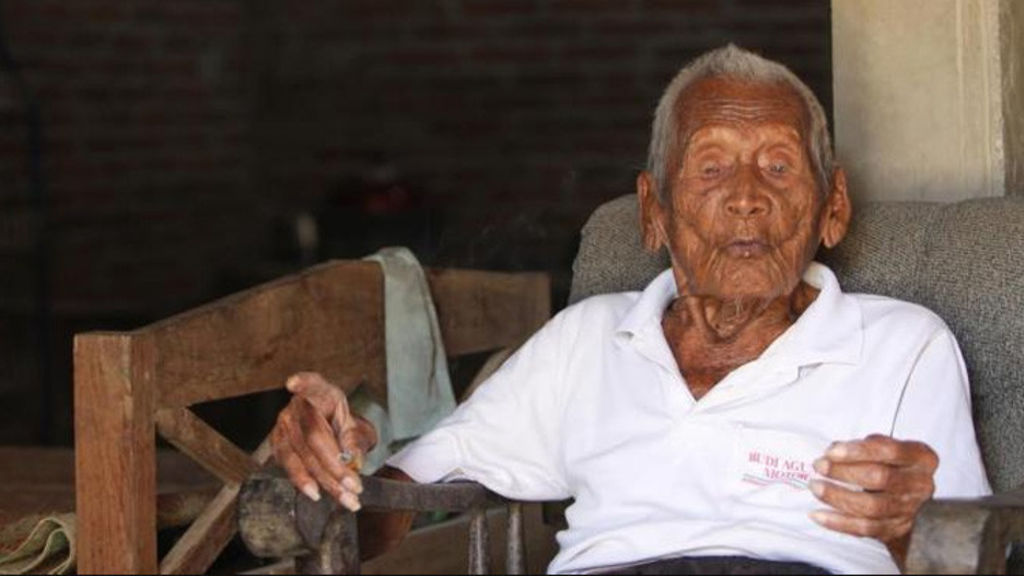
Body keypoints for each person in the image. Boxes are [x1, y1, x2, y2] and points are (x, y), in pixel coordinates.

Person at [269, 45, 990, 574]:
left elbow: (974, 553)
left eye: (778, 166)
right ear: (654, 212)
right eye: (711, 167)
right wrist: (332, 466)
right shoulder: (586, 340)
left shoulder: (902, 345)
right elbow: (395, 513)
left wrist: (907, 527)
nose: (747, 197)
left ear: (832, 206)